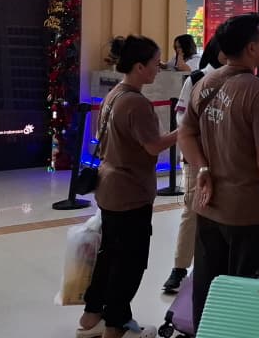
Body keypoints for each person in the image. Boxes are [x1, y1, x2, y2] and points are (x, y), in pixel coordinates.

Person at [179, 13, 259, 329]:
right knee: (243, 296)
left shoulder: (204, 84)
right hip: (249, 213)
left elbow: (185, 134)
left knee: (208, 289)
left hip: (209, 206)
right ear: (251, 48)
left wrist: (202, 167)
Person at [77, 36, 180, 338]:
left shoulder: (114, 94)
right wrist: (184, 130)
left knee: (109, 254)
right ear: (139, 67)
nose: (159, 68)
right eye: (155, 63)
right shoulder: (136, 102)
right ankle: (117, 325)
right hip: (130, 192)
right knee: (130, 262)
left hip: (109, 186)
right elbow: (153, 146)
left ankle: (91, 315)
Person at [162, 39, 223, 294]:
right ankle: (180, 267)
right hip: (196, 157)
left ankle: (215, 268)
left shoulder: (238, 80)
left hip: (226, 159)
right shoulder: (197, 78)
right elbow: (181, 118)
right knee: (191, 209)